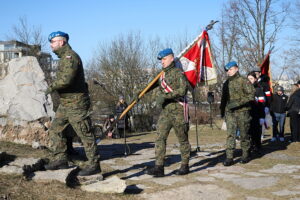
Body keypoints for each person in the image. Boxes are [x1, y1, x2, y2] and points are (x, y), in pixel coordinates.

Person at [44, 31, 100, 176]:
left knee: (84, 133)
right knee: (56, 129)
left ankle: (94, 164)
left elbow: (66, 80)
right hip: (66, 103)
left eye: (53, 42)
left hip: (76, 103)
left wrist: (49, 87)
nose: (51, 45)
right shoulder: (64, 57)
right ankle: (60, 158)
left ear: (61, 42)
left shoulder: (70, 57)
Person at [138, 48, 190, 177]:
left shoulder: (178, 73)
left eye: (164, 59)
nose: (162, 62)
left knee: (182, 139)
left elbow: (183, 90)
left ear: (172, 58)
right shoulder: (161, 75)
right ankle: (159, 167)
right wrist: (139, 94)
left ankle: (185, 165)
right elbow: (149, 86)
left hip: (178, 110)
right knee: (160, 138)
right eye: (161, 60)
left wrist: (165, 96)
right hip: (166, 112)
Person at [220, 61, 255, 166]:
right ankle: (229, 157)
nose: (228, 72)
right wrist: (222, 109)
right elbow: (224, 98)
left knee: (244, 135)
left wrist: (237, 103)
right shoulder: (226, 83)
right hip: (230, 113)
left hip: (243, 112)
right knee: (230, 135)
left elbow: (251, 95)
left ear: (236, 69)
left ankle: (245, 154)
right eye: (227, 70)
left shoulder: (244, 81)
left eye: (230, 70)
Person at [247, 72, 265, 154]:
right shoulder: (246, 89)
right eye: (248, 79)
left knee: (256, 132)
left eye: (251, 78)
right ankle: (250, 146)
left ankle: (257, 146)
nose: (249, 80)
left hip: (257, 114)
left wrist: (262, 116)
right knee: (249, 131)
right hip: (247, 114)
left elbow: (262, 104)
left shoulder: (259, 89)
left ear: (255, 79)